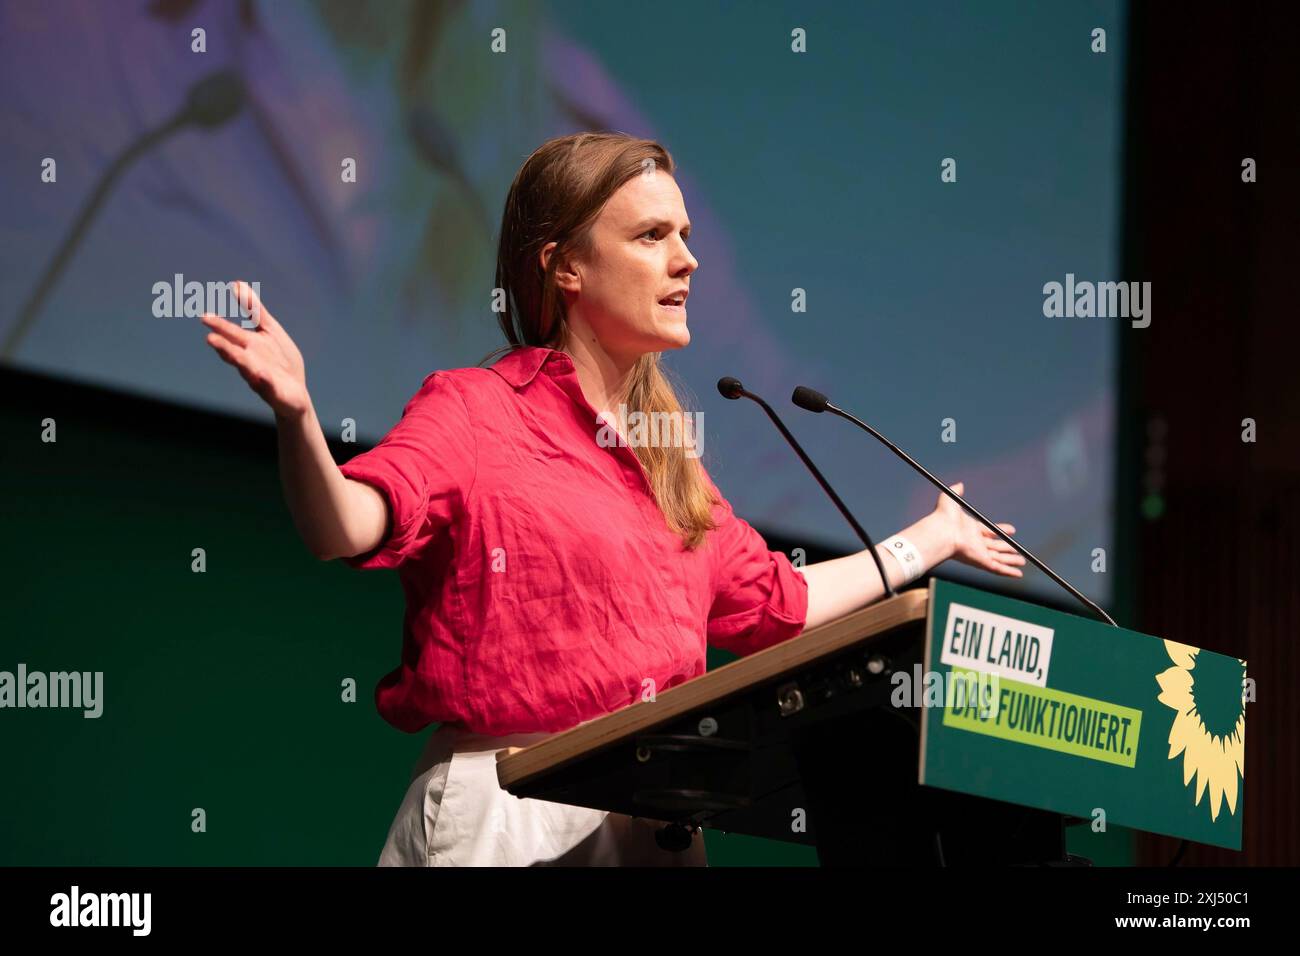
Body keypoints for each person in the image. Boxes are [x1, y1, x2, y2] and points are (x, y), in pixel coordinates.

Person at [201, 131, 1025, 866]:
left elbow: (780, 599)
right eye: (652, 236)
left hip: (653, 823)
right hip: (511, 812)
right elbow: (346, 525)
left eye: (687, 236)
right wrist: (299, 417)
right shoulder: (476, 409)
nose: (687, 259)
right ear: (564, 266)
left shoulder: (669, 458)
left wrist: (934, 537)